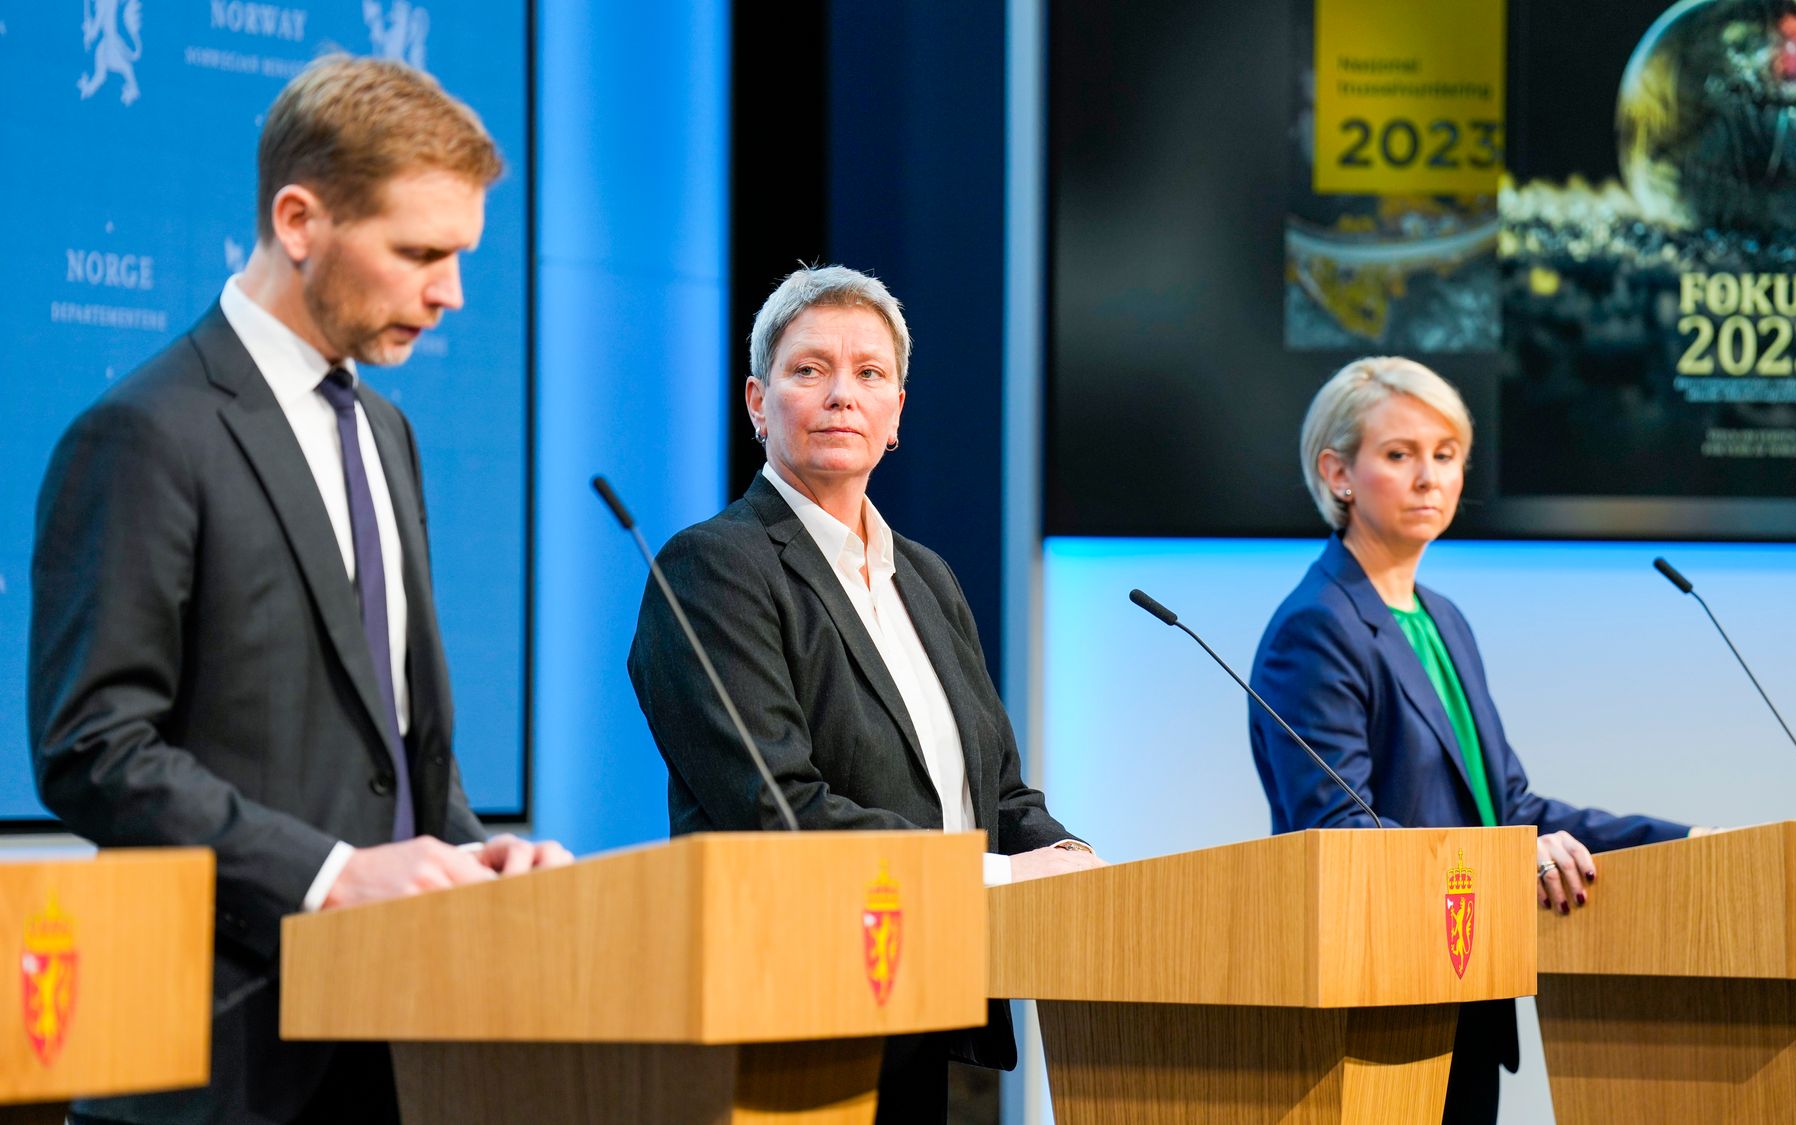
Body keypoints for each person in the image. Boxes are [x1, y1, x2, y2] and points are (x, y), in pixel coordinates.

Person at [29, 56, 570, 1125]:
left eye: (458, 256)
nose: (450, 292)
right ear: (299, 219)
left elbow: (385, 758)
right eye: (419, 252)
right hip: (217, 1064)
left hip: (399, 1047)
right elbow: (92, 749)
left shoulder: (387, 432)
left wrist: (470, 850)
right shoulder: (146, 433)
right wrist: (329, 874)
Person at [628, 265, 1104, 1121]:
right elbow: (776, 809)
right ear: (756, 402)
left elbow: (993, 792)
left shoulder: (927, 577)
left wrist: (1070, 860)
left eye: (869, 373)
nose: (841, 394)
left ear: (896, 417)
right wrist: (995, 873)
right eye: (809, 370)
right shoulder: (712, 568)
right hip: (795, 1017)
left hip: (936, 994)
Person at [1247, 356, 1698, 1125]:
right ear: (1339, 473)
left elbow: (1509, 808)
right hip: (1377, 1016)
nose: (1430, 477)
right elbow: (1340, 835)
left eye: (1446, 454)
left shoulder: (1442, 618)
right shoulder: (1316, 627)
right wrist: (1500, 859)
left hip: (1465, 992)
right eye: (1400, 455)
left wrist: (1688, 844)